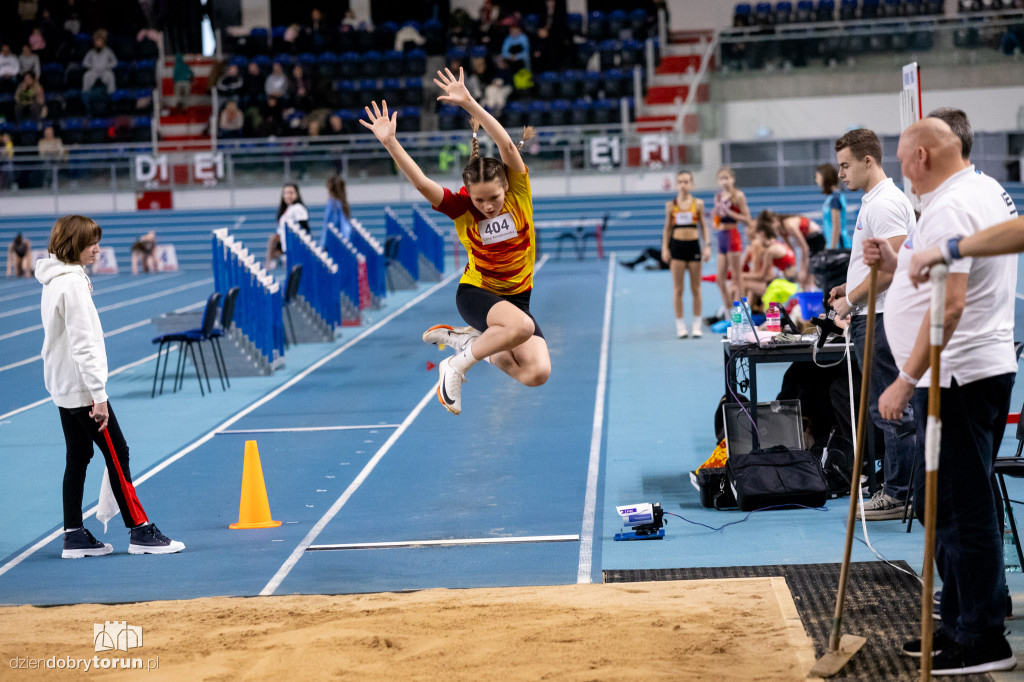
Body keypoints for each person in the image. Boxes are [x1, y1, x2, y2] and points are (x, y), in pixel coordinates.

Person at [865, 118, 1017, 675]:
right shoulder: (978, 189)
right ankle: (963, 619)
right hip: (975, 371)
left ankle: (981, 638)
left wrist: (904, 379)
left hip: (956, 377)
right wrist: (898, 261)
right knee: (951, 504)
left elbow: (950, 305)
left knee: (959, 507)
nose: (902, 171)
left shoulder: (952, 206)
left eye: (904, 159)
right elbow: (944, 270)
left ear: (922, 157)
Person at [361, 67, 550, 416]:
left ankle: (473, 341)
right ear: (469, 197)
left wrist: (470, 105)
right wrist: (390, 141)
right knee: (521, 327)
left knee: (538, 373)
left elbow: (507, 144)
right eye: (479, 200)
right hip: (478, 294)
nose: (488, 206)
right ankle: (456, 365)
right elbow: (421, 183)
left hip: (517, 299)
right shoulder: (463, 209)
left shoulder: (519, 190)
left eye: (493, 197)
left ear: (506, 187)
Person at [37, 215, 185, 558]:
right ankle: (139, 530)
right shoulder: (71, 284)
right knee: (118, 453)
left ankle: (73, 534)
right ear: (74, 244)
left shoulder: (54, 279)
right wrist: (98, 396)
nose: (98, 249)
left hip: (63, 386)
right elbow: (83, 343)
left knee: (79, 455)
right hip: (82, 390)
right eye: (92, 243)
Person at [826, 127, 917, 521]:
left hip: (881, 320)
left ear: (868, 161)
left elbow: (895, 269)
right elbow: (878, 265)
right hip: (874, 314)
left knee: (892, 410)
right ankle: (895, 488)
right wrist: (850, 285)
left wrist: (850, 301)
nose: (841, 173)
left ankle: (899, 493)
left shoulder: (885, 205)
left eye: (846, 165)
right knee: (884, 409)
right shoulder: (873, 202)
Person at [661, 170, 710, 338]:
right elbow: (667, 228)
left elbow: (704, 226)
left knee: (696, 288)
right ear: (677, 184)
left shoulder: (698, 204)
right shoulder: (671, 205)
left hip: (693, 246)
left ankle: (696, 325)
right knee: (678, 289)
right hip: (677, 247)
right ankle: (680, 326)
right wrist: (665, 248)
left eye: (686, 181)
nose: (683, 185)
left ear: (691, 184)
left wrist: (707, 246)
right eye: (680, 181)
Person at [710, 166, 751, 319]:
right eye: (722, 178)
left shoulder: (738, 196)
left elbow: (747, 220)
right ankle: (727, 311)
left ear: (732, 179)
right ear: (718, 181)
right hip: (721, 236)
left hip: (733, 236)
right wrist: (716, 216)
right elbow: (716, 221)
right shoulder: (718, 197)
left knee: (737, 276)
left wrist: (730, 212)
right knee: (720, 278)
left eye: (727, 178)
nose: (725, 181)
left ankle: (739, 311)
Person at [739, 216, 797, 306]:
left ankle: (742, 313)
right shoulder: (777, 244)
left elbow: (761, 275)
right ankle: (748, 313)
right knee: (749, 284)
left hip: (785, 285)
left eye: (756, 236)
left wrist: (741, 275)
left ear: (761, 234)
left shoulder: (770, 251)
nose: (756, 240)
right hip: (790, 281)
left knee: (742, 282)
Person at [759, 210, 824, 288]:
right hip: (808, 240)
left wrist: (802, 270)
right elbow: (791, 250)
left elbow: (804, 248)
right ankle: (804, 292)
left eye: (770, 225)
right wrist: (795, 269)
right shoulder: (781, 230)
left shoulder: (789, 224)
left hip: (816, 237)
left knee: (809, 273)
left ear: (774, 220)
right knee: (803, 277)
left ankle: (812, 289)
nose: (771, 229)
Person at [267, 183, 309, 270]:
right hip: (287, 249)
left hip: (295, 249)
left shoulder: (298, 208)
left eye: (291, 193)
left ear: (297, 194)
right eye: (285, 193)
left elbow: (304, 228)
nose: (288, 196)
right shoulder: (287, 209)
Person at [816, 163, 848, 248]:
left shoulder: (835, 198)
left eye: (817, 177)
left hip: (839, 247)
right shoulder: (831, 197)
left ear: (824, 177)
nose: (816, 181)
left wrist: (832, 250)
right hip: (832, 245)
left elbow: (836, 227)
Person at [81, 29, 117, 95]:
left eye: (100, 42)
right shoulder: (91, 52)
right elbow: (84, 63)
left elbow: (115, 62)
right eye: (97, 42)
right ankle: (86, 93)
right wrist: (91, 66)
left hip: (104, 71)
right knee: (86, 75)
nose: (98, 43)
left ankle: (111, 94)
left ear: (103, 42)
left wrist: (107, 66)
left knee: (110, 75)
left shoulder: (108, 51)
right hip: (94, 71)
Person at [321, 174, 352, 247]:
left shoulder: (333, 203)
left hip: (335, 243)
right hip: (344, 239)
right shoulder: (343, 203)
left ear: (329, 188)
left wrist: (323, 246)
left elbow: (330, 226)